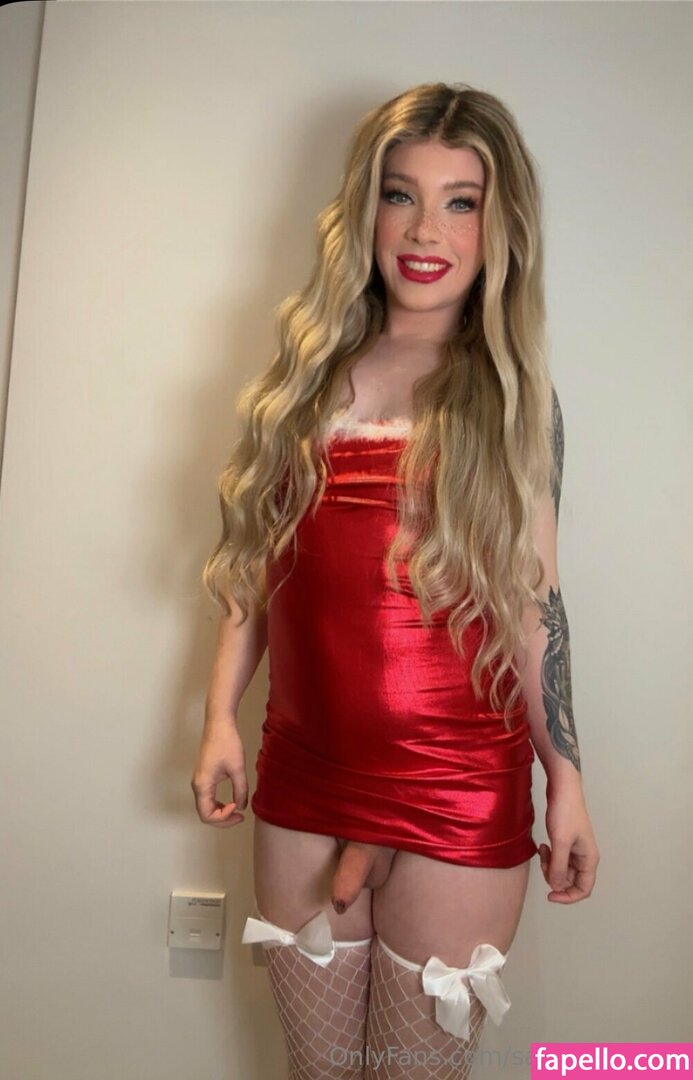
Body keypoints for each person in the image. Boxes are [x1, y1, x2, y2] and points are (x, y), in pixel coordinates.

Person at [191, 81, 600, 1080]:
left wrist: (566, 782)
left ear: (499, 226)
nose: (425, 230)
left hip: (460, 787)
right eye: (400, 194)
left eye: (461, 201)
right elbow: (256, 564)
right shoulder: (305, 376)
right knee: (319, 1073)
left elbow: (534, 608)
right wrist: (217, 721)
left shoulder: (514, 398)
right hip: (305, 776)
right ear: (364, 206)